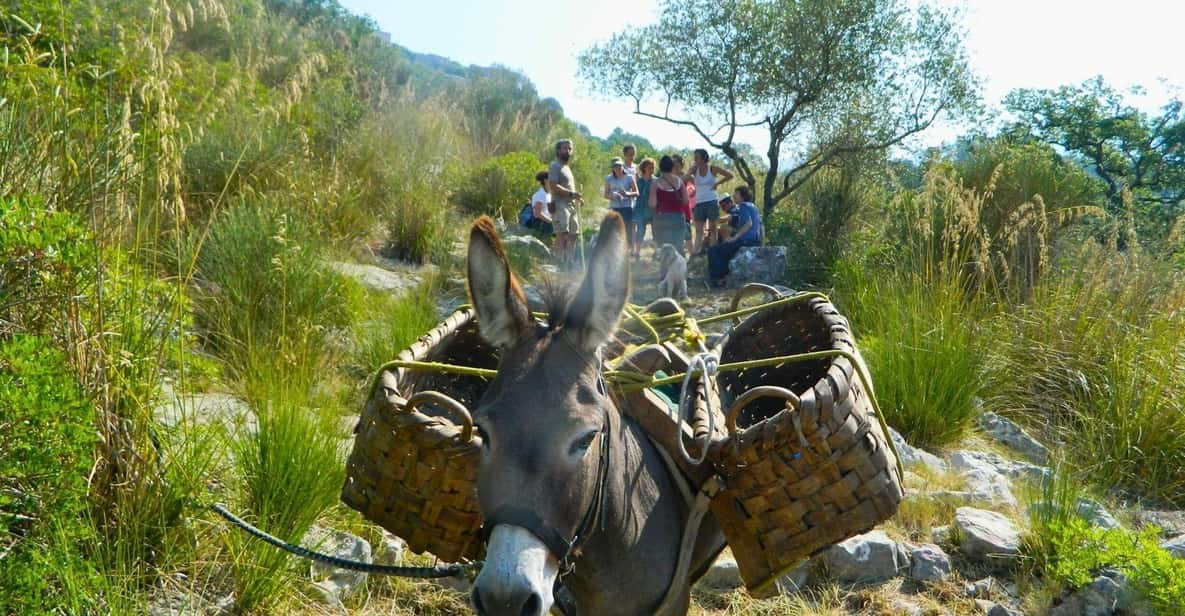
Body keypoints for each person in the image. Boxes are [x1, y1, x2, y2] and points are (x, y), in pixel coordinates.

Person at [707, 185, 762, 287]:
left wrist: (735, 238)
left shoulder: (743, 206)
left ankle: (717, 279)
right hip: (754, 241)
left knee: (713, 251)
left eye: (736, 194)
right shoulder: (753, 206)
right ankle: (724, 276)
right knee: (724, 250)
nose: (734, 196)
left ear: (742, 195)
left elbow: (748, 223)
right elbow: (760, 226)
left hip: (746, 241)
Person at [686, 148, 734, 256]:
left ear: (703, 158)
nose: (695, 160)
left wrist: (717, 183)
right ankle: (695, 252)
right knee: (698, 230)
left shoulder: (712, 169)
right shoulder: (694, 170)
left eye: (697, 157)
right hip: (699, 202)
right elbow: (686, 178)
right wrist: (690, 170)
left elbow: (729, 175)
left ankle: (713, 253)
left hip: (711, 201)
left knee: (713, 229)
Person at [548, 139, 582, 267]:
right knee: (562, 233)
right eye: (565, 148)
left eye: (569, 148)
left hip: (571, 204)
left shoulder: (566, 167)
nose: (568, 151)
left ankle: (569, 261)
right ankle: (558, 262)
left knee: (574, 234)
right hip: (559, 203)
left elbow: (569, 186)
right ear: (558, 150)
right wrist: (571, 194)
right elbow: (553, 185)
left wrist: (577, 197)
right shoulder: (555, 166)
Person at [648, 155, 690, 255]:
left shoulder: (656, 183)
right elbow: (686, 201)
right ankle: (681, 269)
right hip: (678, 218)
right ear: (672, 167)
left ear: (660, 168)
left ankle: (665, 269)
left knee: (664, 249)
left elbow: (652, 204)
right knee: (678, 247)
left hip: (661, 218)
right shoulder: (679, 181)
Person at [604, 157, 639, 253]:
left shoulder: (629, 177)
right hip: (614, 207)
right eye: (615, 166)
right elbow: (605, 194)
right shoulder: (608, 178)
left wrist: (627, 194)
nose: (618, 168)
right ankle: (616, 250)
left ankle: (630, 250)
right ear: (612, 168)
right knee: (614, 230)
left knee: (628, 229)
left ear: (622, 166)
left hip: (627, 207)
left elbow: (636, 192)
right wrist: (612, 195)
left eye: (619, 166)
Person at [632, 157, 656, 259]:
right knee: (640, 231)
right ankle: (637, 252)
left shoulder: (656, 181)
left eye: (653, 167)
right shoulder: (638, 181)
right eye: (649, 167)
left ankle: (656, 252)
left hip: (652, 209)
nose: (651, 169)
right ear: (644, 168)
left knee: (656, 231)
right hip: (640, 208)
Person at [528, 170, 554, 237]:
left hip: (547, 223)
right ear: (545, 181)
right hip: (541, 224)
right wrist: (551, 222)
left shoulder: (548, 194)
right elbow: (538, 213)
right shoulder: (540, 194)